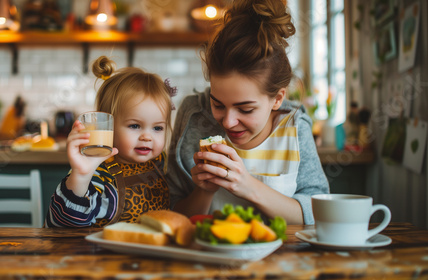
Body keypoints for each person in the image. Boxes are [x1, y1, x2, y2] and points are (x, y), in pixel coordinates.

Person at [167, 0, 329, 225]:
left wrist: (248, 186)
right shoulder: (194, 116)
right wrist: (204, 191)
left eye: (245, 109)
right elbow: (170, 212)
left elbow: (319, 212)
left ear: (278, 98)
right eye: (218, 104)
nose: (229, 122)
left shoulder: (294, 127)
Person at [45, 56, 174, 228]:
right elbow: (64, 225)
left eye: (157, 128)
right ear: (108, 127)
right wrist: (81, 175)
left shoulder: (160, 163)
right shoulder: (99, 172)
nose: (147, 137)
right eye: (135, 126)